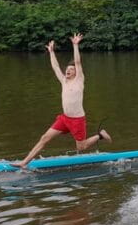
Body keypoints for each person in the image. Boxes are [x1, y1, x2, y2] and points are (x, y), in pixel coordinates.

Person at [12, 34, 112, 169]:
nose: (68, 71)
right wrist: (51, 52)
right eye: (68, 69)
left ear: (77, 73)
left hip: (77, 120)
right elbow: (56, 67)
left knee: (81, 147)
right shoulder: (64, 81)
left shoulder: (79, 81)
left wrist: (75, 45)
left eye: (71, 70)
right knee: (44, 138)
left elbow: (77, 62)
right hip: (65, 119)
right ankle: (24, 162)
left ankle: (100, 135)